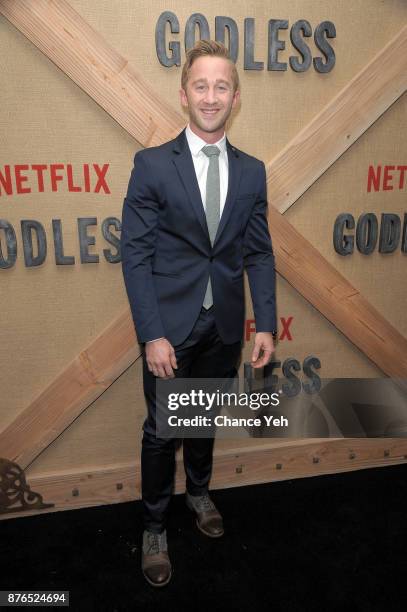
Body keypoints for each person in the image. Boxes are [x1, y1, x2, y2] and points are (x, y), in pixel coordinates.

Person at [121, 39, 277, 587]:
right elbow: (135, 256)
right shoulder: (152, 165)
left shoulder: (253, 171)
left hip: (224, 325)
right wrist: (152, 334)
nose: (211, 96)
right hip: (169, 328)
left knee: (204, 417)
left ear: (236, 97)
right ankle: (155, 525)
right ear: (183, 94)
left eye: (221, 86)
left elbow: (257, 251)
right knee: (164, 431)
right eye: (201, 85)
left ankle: (200, 493)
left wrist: (266, 326)